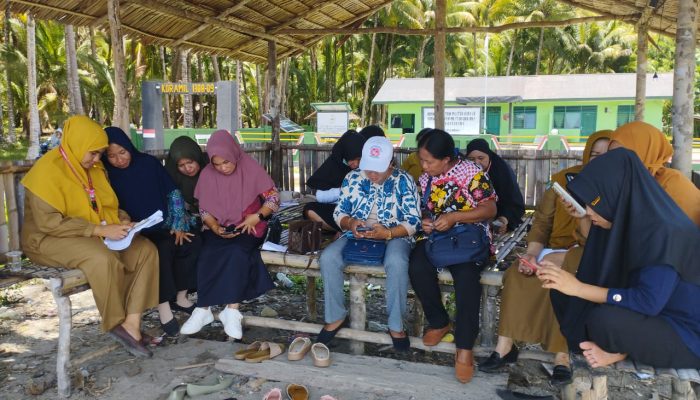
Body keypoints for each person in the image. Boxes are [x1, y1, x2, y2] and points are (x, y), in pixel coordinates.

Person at [541, 148, 700, 369]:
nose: (588, 211)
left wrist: (577, 287)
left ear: (614, 194)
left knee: (604, 320)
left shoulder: (664, 233)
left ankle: (619, 351)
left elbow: (648, 302)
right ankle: (616, 348)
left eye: (593, 204)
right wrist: (568, 286)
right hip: (652, 318)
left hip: (686, 332)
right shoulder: (630, 221)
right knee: (564, 296)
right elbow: (601, 262)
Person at [479, 130, 612, 383]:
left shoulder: (618, 187)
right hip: (554, 248)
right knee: (517, 275)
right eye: (594, 154)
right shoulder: (564, 179)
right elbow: (542, 223)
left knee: (564, 281)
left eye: (606, 155)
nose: (598, 160)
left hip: (592, 253)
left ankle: (562, 355)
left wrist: (565, 256)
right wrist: (532, 254)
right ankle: (505, 346)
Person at [20, 116, 158, 358]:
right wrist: (99, 230)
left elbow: (107, 206)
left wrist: (123, 221)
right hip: (47, 240)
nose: (97, 159)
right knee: (101, 258)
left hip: (93, 234)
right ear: (77, 143)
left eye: (99, 154)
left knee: (145, 249)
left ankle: (132, 324)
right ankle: (115, 321)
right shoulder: (46, 171)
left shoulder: (93, 169)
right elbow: (49, 223)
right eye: (93, 153)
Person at [408, 129, 497, 383]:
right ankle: (439, 321)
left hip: (469, 238)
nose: (424, 166)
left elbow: (490, 208)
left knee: (467, 279)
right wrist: (427, 221)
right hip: (438, 237)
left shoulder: (471, 172)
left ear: (447, 159)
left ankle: (465, 348)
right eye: (421, 160)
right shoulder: (426, 178)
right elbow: (426, 210)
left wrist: (455, 217)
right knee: (416, 266)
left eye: (429, 161)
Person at [317, 136, 421, 351]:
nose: (372, 174)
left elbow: (413, 220)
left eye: (378, 170)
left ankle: (395, 325)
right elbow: (340, 212)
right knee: (328, 257)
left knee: (397, 262)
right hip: (357, 234)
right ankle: (336, 316)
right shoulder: (353, 177)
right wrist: (350, 223)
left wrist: (389, 233)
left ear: (391, 163)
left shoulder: (404, 180)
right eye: (368, 169)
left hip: (395, 234)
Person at [103, 127, 201, 337]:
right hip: (136, 232)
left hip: (165, 224)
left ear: (129, 147)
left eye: (122, 152)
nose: (119, 160)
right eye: (111, 156)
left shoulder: (147, 163)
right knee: (162, 250)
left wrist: (178, 223)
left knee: (192, 241)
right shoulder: (106, 175)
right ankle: (163, 306)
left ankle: (181, 297)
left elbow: (172, 192)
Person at [180, 130, 278, 339]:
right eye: (217, 164)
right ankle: (203, 309)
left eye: (227, 162)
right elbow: (204, 209)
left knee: (237, 251)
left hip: (250, 225)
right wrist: (214, 227)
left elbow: (273, 199)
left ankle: (232, 310)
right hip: (221, 226)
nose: (223, 167)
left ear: (234, 154)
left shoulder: (250, 167)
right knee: (207, 252)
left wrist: (257, 216)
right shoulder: (207, 174)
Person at [608, 121, 700, 225]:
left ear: (647, 151)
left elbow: (677, 235)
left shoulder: (672, 184)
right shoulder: (618, 185)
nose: (614, 161)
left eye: (623, 155)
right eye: (611, 155)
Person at [303, 130, 365, 232]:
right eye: (353, 159)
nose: (356, 164)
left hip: (359, 211)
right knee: (309, 210)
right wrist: (345, 190)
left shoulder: (366, 167)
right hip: (338, 210)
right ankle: (344, 229)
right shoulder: (334, 164)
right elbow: (320, 196)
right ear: (346, 153)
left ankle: (347, 229)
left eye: (360, 159)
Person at [465, 138, 524, 234]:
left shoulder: (501, 170)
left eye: (481, 158)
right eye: (471, 159)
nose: (476, 163)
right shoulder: (463, 171)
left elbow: (513, 202)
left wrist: (503, 220)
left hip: (501, 210)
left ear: (489, 156)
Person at [164, 135, 210, 227]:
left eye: (190, 162)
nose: (187, 168)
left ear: (196, 157)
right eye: (181, 165)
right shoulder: (170, 175)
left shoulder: (211, 167)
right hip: (184, 224)